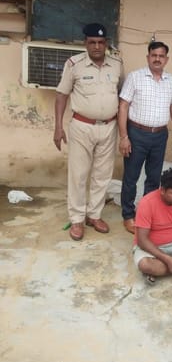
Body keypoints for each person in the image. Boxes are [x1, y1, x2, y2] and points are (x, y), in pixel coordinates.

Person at [54, 23, 123, 241]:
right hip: (82, 127)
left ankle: (94, 215)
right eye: (92, 42)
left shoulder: (117, 64)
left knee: (102, 175)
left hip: (109, 127)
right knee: (78, 175)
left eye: (101, 42)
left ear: (106, 43)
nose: (97, 46)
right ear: (85, 43)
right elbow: (62, 95)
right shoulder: (74, 64)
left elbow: (121, 96)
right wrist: (58, 127)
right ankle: (77, 219)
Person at [118, 41, 172, 234]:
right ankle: (128, 215)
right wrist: (124, 136)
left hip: (160, 135)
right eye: (154, 55)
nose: (157, 59)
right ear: (148, 57)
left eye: (161, 56)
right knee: (131, 177)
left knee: (153, 178)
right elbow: (123, 106)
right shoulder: (135, 77)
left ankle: (146, 215)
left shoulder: (171, 80)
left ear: (166, 59)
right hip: (136, 134)